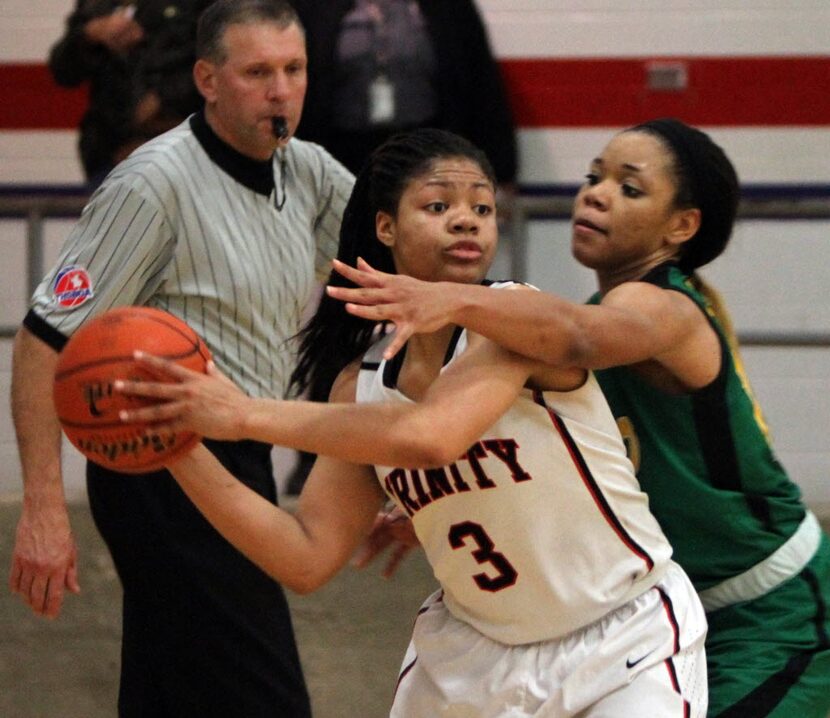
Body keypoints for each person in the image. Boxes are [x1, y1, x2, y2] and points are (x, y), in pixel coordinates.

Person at [116, 128, 708, 716]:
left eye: (482, 207)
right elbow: (304, 556)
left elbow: (429, 439)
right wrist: (176, 445)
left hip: (619, 641)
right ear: (385, 228)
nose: (466, 220)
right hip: (471, 659)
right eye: (438, 206)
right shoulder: (363, 381)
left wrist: (244, 415)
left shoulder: (516, 321)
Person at [325, 118, 830, 717]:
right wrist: (446, 503)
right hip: (664, 608)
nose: (595, 193)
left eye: (629, 187)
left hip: (767, 606)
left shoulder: (658, 309)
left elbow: (574, 338)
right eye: (594, 176)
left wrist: (450, 295)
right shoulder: (566, 320)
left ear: (681, 226)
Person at [9, 1, 354, 715]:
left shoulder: (309, 172)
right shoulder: (152, 185)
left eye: (294, 70)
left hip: (245, 450)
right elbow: (44, 339)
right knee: (262, 695)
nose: (281, 90)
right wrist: (44, 508)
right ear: (207, 78)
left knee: (172, 687)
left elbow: (384, 278)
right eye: (258, 72)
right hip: (162, 470)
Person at [48, 0, 211, 187]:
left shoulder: (197, 7)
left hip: (186, 148)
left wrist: (164, 99)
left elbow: (221, 61)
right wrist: (91, 34)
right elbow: (63, 72)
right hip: (111, 153)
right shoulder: (96, 6)